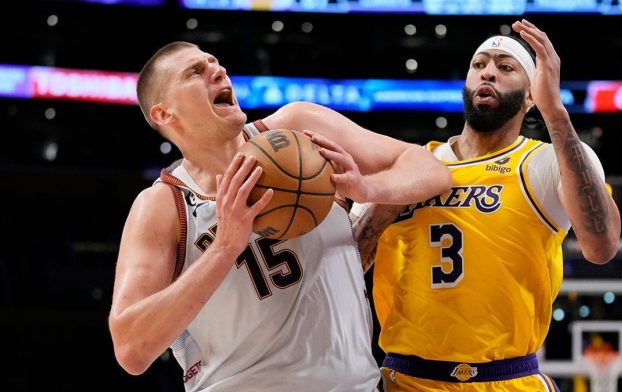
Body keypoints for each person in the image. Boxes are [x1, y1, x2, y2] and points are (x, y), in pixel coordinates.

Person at [107, 41, 452, 391]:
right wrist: (224, 248)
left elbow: (431, 171)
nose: (218, 70)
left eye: (215, 62)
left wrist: (367, 189)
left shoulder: (299, 129)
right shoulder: (164, 204)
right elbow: (132, 349)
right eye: (195, 72)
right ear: (164, 113)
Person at [353, 19, 622, 391]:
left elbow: (602, 245)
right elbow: (348, 266)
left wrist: (555, 112)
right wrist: (376, 200)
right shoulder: (413, 165)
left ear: (531, 97)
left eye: (505, 67)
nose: (489, 73)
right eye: (479, 65)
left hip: (509, 378)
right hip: (406, 380)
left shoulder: (547, 161)